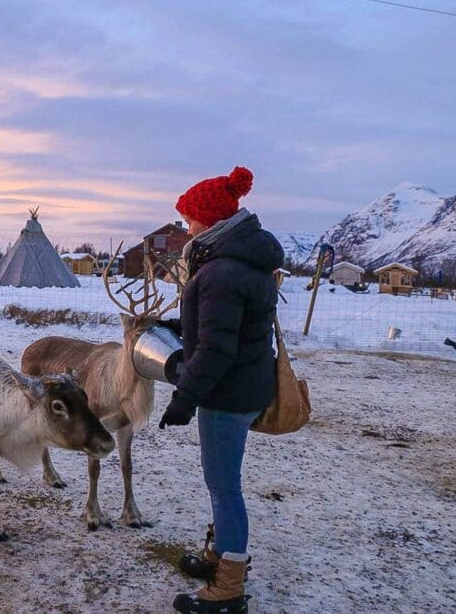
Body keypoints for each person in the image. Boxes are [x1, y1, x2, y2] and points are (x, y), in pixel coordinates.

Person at [158, 166, 284, 614]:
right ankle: (221, 557)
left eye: (190, 219)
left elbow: (216, 350)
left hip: (226, 396)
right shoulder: (241, 261)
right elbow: (230, 328)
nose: (187, 228)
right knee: (223, 484)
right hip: (244, 386)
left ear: (209, 221)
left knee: (224, 487)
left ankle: (228, 589)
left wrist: (183, 399)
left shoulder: (221, 271)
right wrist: (186, 324)